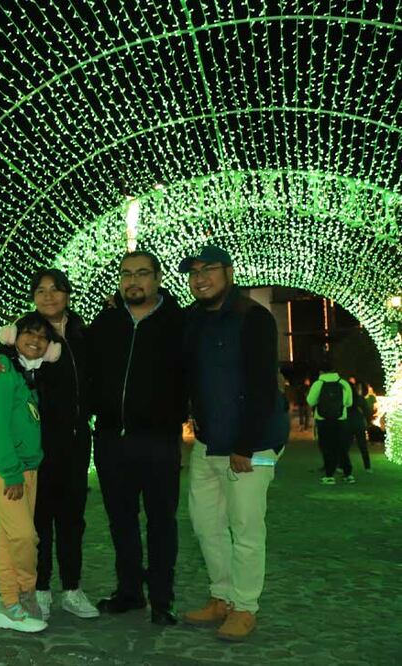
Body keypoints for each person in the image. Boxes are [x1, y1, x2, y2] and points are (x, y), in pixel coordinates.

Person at [0, 269, 99, 621]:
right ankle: (37, 590)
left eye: (56, 289)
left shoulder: (83, 334)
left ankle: (72, 588)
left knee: (72, 518)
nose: (48, 296)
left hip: (74, 441)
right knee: (36, 522)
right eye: (41, 290)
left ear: (67, 294)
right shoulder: (22, 335)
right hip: (38, 447)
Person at [178, 245, 288, 641]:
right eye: (193, 272)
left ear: (228, 273)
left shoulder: (252, 317)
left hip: (252, 445)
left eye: (208, 269)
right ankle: (221, 596)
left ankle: (245, 607)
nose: (200, 278)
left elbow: (262, 385)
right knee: (206, 525)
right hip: (209, 441)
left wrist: (246, 444)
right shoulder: (192, 319)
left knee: (245, 528)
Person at [86, 251, 185, 626]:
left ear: (157, 278)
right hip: (112, 438)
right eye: (126, 274)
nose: (133, 281)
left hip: (159, 440)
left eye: (142, 273)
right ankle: (129, 592)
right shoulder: (108, 321)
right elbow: (72, 351)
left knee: (162, 521)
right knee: (121, 521)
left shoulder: (178, 322)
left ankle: (162, 598)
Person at [0, 311, 56, 633]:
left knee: (8, 537)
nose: (36, 340)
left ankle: (8, 604)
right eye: (29, 333)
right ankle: (25, 593)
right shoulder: (1, 369)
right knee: (24, 536)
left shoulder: (27, 375)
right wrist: (11, 472)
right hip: (4, 469)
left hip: (26, 467)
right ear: (13, 337)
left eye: (43, 337)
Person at [307, 363, 355, 484]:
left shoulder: (318, 384)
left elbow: (310, 401)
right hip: (340, 419)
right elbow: (349, 403)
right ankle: (348, 473)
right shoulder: (343, 383)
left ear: (321, 372)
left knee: (327, 447)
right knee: (341, 447)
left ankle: (329, 475)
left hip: (323, 420)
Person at [351, 382, 373, 473]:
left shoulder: (348, 398)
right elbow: (367, 411)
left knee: (345, 446)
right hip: (359, 423)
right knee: (363, 446)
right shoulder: (361, 399)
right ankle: (367, 467)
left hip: (349, 423)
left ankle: (341, 466)